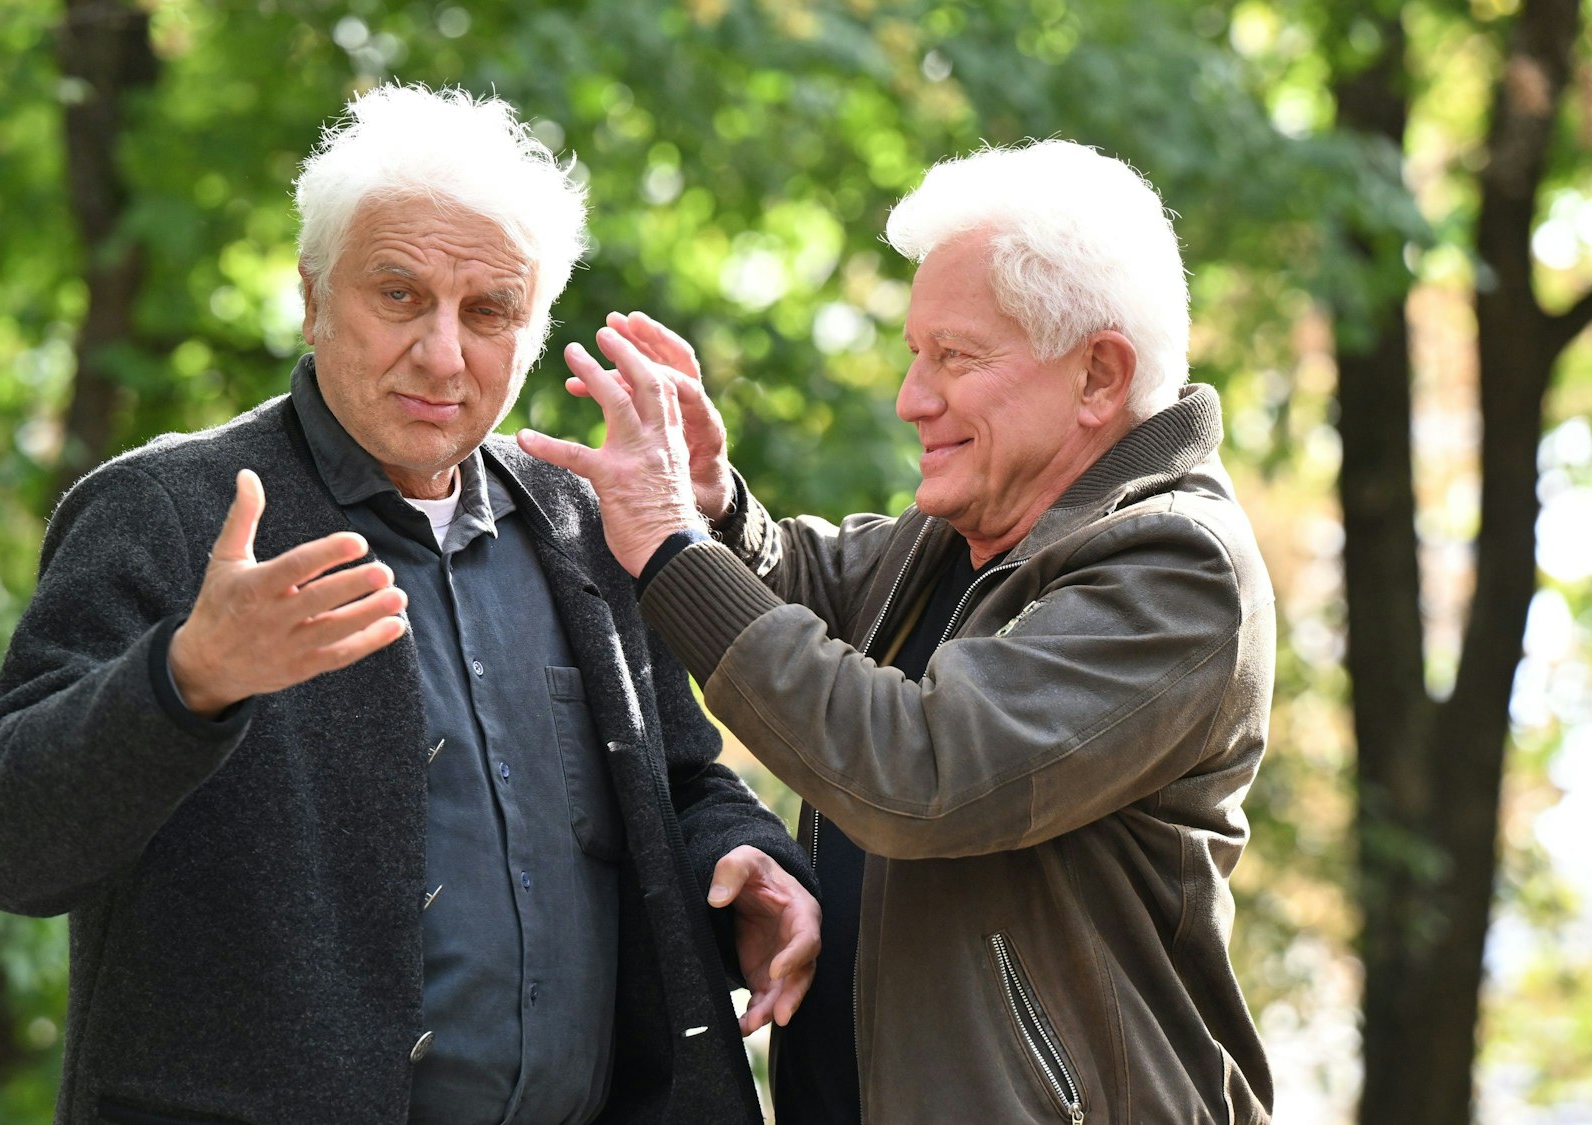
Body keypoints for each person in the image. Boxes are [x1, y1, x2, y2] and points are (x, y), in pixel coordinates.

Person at [0, 84, 818, 1125]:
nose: (443, 354)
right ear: (312, 297)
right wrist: (184, 682)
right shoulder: (169, 511)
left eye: (488, 311)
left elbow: (680, 782)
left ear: (531, 334)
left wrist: (745, 861)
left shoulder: (581, 523)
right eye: (399, 295)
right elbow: (3, 842)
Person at [519, 139, 1276, 1124]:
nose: (910, 398)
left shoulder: (1178, 567)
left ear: (1098, 375)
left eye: (955, 357)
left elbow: (921, 771)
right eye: (916, 353)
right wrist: (712, 504)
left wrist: (670, 544)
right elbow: (808, 593)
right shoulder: (966, 527)